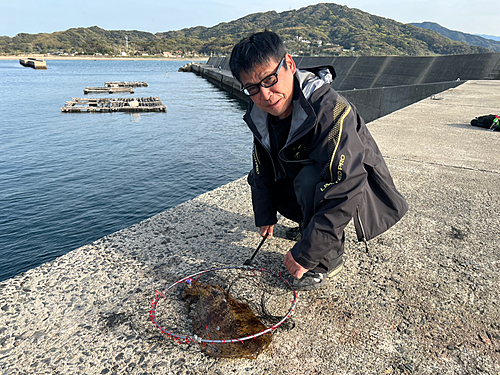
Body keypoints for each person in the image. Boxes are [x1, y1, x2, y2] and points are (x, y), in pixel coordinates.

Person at [229, 31, 408, 291]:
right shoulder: (260, 112)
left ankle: (326, 260)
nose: (265, 95)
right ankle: (308, 227)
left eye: (269, 79)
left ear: (289, 64)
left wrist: (307, 253)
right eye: (253, 88)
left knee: (311, 179)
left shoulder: (330, 109)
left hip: (354, 191)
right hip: (309, 187)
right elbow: (261, 165)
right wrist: (265, 213)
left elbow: (346, 183)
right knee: (280, 177)